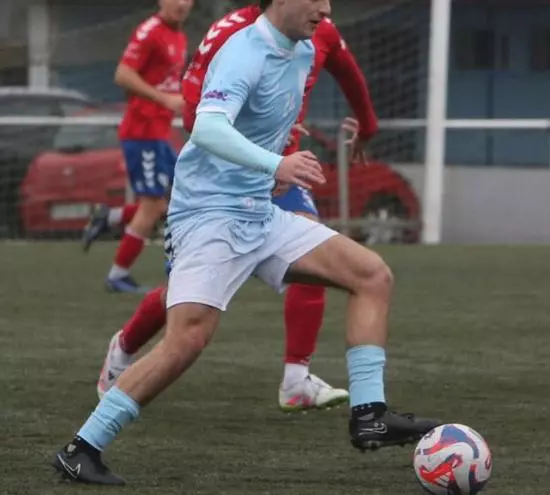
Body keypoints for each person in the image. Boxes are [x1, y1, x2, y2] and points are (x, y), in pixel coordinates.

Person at [53, 0, 438, 485]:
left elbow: (266, 123)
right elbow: (208, 127)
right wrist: (276, 165)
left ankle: (370, 414)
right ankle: (81, 448)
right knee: (187, 340)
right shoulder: (243, 52)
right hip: (209, 216)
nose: (326, 7)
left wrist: (272, 163)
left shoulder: (302, 50)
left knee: (371, 275)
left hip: (259, 213)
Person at [94, 0, 380, 413]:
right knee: (184, 302)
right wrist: (260, 154)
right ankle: (123, 348)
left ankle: (296, 379)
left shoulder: (316, 27)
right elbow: (198, 117)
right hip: (222, 183)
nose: (324, 8)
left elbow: (346, 68)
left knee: (322, 253)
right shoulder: (232, 34)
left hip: (283, 171)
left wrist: (367, 125)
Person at [86, 0, 193, 293]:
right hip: (142, 131)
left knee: (180, 198)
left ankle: (110, 217)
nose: (182, 3)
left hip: (159, 132)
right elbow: (123, 74)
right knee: (152, 206)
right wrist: (163, 99)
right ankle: (117, 275)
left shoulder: (178, 35)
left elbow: (166, 82)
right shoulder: (150, 32)